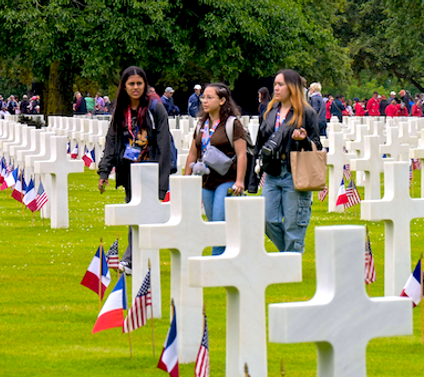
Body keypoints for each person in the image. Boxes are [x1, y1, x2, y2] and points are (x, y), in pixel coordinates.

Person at [254, 69, 322, 254]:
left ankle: (291, 262)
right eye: (275, 84)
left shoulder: (307, 113)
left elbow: (317, 146)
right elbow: (259, 144)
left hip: (295, 172)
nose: (276, 88)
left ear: (292, 87)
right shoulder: (269, 112)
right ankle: (291, 255)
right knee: (267, 220)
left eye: (281, 84)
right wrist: (252, 181)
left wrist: (304, 140)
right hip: (273, 172)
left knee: (293, 225)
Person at [183, 83, 248, 255]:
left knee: (219, 222)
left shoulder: (232, 124)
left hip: (227, 179)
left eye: (210, 97)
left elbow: (242, 154)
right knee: (213, 225)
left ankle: (216, 262)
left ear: (222, 100)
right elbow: (193, 152)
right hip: (206, 181)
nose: (205, 100)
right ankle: (231, 256)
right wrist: (185, 179)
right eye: (203, 97)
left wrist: (240, 181)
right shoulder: (200, 125)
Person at [97, 66, 173, 202]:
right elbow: (112, 141)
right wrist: (104, 171)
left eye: (139, 83)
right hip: (129, 169)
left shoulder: (155, 108)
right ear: (124, 86)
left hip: (151, 168)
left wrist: (162, 184)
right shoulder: (120, 111)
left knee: (150, 214)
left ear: (145, 85)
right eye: (131, 84)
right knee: (133, 209)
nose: (135, 87)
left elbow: (164, 145)